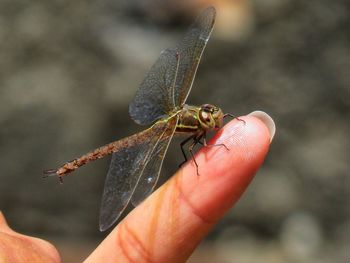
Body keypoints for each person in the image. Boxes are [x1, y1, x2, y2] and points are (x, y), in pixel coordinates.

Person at [0, 111, 275, 263]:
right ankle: (70, 166)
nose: (213, 119)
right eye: (208, 118)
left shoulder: (196, 121)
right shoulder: (184, 129)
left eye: (212, 116)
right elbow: (187, 146)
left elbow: (186, 145)